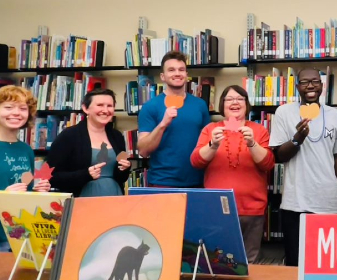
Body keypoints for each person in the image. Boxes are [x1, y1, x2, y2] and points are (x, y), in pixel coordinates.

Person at [269, 68, 337, 267]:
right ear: (297, 87)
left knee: (329, 263)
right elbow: (279, 155)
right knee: (295, 262)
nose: (310, 86)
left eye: (315, 81)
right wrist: (298, 139)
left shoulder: (334, 115)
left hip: (329, 202)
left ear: (322, 86)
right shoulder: (284, 112)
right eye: (305, 82)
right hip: (296, 202)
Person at [190, 85, 274, 263]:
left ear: (246, 104)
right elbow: (196, 161)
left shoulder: (259, 130)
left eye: (240, 99)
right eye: (229, 99)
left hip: (252, 209)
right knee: (219, 262)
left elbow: (268, 164)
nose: (235, 102)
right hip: (217, 209)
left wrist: (252, 143)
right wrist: (212, 144)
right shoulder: (210, 129)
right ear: (222, 105)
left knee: (250, 263)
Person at [137, 50, 211, 188]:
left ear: (186, 75)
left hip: (198, 181)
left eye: (181, 70)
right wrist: (163, 124)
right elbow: (143, 151)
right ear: (163, 76)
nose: (177, 73)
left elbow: (208, 143)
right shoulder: (150, 107)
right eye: (171, 70)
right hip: (163, 182)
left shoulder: (200, 105)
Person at [47, 88, 131, 197]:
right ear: (85, 108)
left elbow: (121, 177)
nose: (105, 110)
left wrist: (124, 169)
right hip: (82, 200)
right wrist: (85, 174)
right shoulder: (69, 136)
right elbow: (52, 177)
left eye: (110, 106)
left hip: (115, 197)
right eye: (100, 105)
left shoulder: (117, 136)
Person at [0, 85, 51, 251]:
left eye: (23, 108)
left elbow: (25, 190)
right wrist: (5, 196)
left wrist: (37, 191)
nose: (16, 113)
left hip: (20, 233)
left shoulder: (26, 149)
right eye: (8, 107)